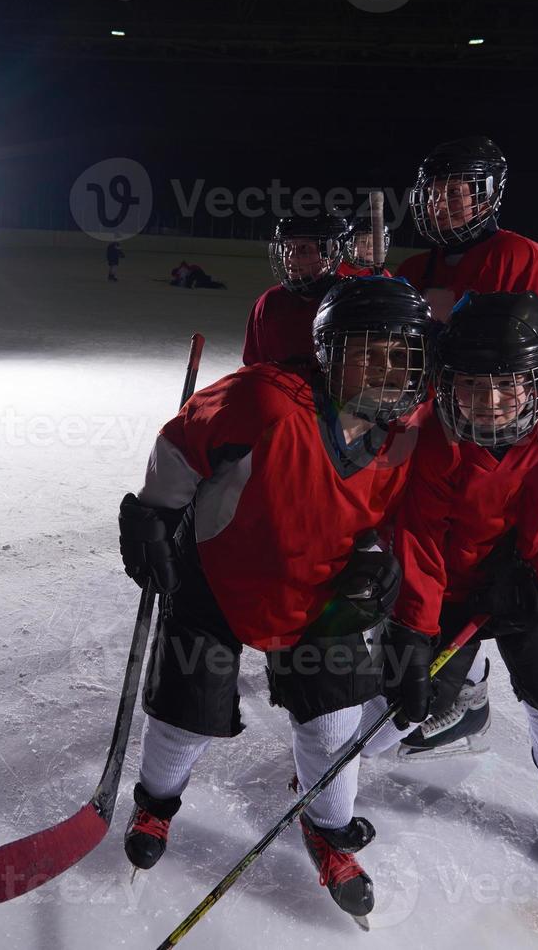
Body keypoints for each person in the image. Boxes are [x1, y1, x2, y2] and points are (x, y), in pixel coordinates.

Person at [117, 277, 437, 922]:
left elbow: (404, 518)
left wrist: (383, 562)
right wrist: (151, 515)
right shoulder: (263, 398)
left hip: (324, 590)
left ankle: (328, 826)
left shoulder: (410, 430)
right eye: (365, 350)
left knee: (331, 722)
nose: (385, 367)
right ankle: (155, 802)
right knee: (186, 713)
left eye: (400, 351)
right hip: (218, 575)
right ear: (327, 352)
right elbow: (181, 443)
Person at [357, 291, 538, 884]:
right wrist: (414, 629)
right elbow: (419, 541)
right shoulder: (426, 436)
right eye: (473, 385)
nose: (490, 402)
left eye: (509, 384)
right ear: (447, 381)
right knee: (406, 695)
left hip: (528, 588)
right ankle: (336, 768)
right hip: (448, 595)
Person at [394, 138, 538, 322]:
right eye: (432, 194)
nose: (438, 206)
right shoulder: (412, 269)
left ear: (487, 196)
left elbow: (532, 340)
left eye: (453, 193)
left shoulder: (519, 256)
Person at [241, 214, 352, 366]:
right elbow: (254, 366)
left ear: (332, 251)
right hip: (278, 388)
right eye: (287, 248)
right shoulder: (269, 301)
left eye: (304, 249)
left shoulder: (349, 299)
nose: (291, 258)